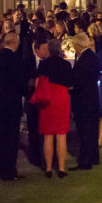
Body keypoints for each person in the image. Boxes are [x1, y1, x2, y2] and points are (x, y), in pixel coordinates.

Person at [0, 32, 25, 181]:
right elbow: (20, 83)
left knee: (1, 135)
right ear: (14, 43)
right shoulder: (15, 60)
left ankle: (2, 169)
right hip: (11, 104)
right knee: (12, 138)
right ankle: (9, 170)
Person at [30, 37, 72, 178]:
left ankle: (48, 168)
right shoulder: (66, 65)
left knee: (48, 135)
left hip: (47, 98)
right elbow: (70, 84)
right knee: (61, 134)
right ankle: (61, 168)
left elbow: (37, 83)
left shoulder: (43, 65)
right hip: (61, 97)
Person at [69, 32, 100, 169]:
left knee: (84, 131)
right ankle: (93, 157)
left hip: (84, 100)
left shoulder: (85, 59)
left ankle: (85, 160)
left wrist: (72, 86)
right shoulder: (91, 56)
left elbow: (79, 80)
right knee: (91, 130)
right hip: (92, 98)